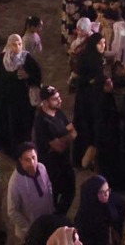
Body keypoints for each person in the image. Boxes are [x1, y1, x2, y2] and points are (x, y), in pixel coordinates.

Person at [0, 36, 42, 155]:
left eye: (19, 44)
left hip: (22, 102)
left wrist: (27, 76)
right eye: (14, 44)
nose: (17, 47)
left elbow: (37, 76)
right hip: (5, 100)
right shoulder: (1, 59)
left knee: (21, 125)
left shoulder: (27, 59)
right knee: (6, 123)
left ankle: (21, 149)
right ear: (8, 45)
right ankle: (6, 147)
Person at [33, 85, 76, 215]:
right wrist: (67, 138)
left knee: (70, 191)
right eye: (55, 99)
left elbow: (74, 132)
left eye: (59, 97)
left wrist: (63, 139)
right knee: (53, 197)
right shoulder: (42, 121)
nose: (60, 100)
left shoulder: (59, 112)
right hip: (52, 169)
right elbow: (59, 146)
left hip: (65, 163)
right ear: (45, 102)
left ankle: (60, 216)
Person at [7, 144, 55, 244]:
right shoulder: (15, 182)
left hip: (47, 220)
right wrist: (29, 227)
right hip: (31, 230)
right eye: (27, 160)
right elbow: (12, 211)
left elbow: (48, 185)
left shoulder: (42, 168)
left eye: (34, 158)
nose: (32, 163)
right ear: (21, 161)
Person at [73, 175, 125, 245]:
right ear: (93, 194)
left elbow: (122, 206)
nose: (107, 194)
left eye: (108, 190)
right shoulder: (84, 218)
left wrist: (116, 230)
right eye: (103, 192)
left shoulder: (110, 201)